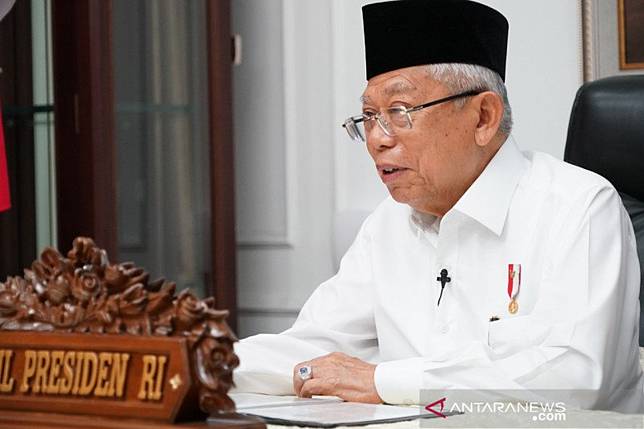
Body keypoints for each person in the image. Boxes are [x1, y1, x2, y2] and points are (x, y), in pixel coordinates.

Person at [232, 0, 644, 412]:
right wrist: (207, 362)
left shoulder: (579, 208)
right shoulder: (388, 224)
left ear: (483, 117)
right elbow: (310, 349)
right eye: (369, 116)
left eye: (399, 112)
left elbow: (576, 380)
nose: (377, 139)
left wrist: (383, 381)